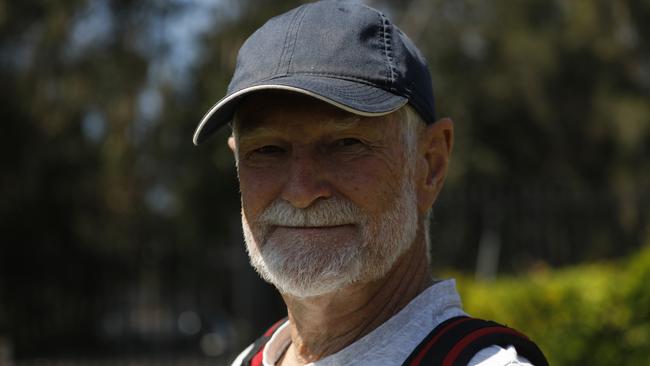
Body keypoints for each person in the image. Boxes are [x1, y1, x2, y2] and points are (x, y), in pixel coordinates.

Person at [193, 1, 548, 365]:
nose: (300, 192)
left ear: (430, 164)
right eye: (267, 150)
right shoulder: (248, 360)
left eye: (346, 144)